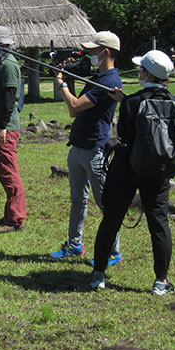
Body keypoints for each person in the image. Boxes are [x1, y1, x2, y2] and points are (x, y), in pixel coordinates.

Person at [89, 50, 175, 295]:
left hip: (125, 168)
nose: (138, 72)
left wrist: (124, 101)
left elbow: (124, 132)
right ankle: (161, 282)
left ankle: (98, 275)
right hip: (159, 172)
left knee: (111, 220)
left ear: (147, 74)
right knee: (159, 223)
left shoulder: (132, 102)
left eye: (141, 69)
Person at [49, 31, 122, 264]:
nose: (89, 55)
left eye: (92, 51)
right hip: (78, 147)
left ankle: (113, 252)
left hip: (95, 150)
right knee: (78, 200)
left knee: (105, 203)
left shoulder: (110, 81)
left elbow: (76, 104)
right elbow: (73, 111)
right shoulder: (97, 79)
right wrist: (68, 81)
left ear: (105, 52)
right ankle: (74, 244)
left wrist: (60, 82)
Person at [0, 25, 26, 233]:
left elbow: (11, 99)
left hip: (5, 127)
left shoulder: (8, 65)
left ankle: (15, 219)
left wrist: (2, 127)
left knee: (9, 172)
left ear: (0, 44)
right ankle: (9, 213)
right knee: (3, 171)